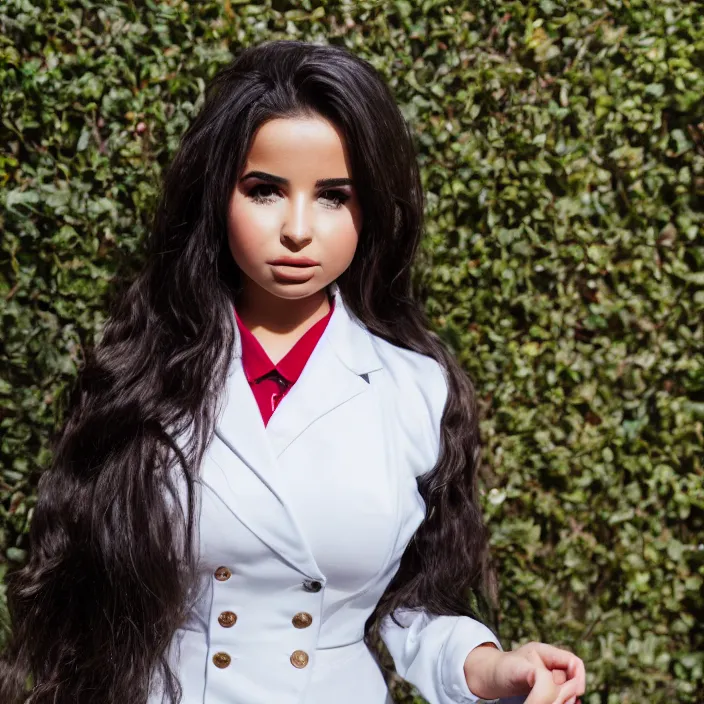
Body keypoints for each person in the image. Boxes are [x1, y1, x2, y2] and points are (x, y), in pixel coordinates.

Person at [0, 40, 585, 704]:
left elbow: (414, 605)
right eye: (265, 190)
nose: (298, 230)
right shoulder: (141, 375)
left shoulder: (415, 392)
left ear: (371, 210)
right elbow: (86, 597)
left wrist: (490, 666)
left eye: (334, 196)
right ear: (215, 196)